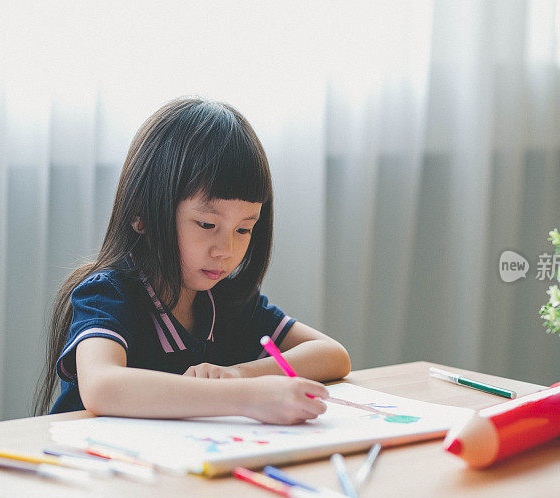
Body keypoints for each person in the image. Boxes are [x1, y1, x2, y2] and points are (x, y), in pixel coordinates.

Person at [34, 97, 350, 424]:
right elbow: (102, 386)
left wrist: (241, 375)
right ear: (142, 213)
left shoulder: (228, 300)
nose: (225, 249)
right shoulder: (108, 294)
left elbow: (333, 355)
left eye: (243, 229)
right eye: (207, 225)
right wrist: (246, 397)